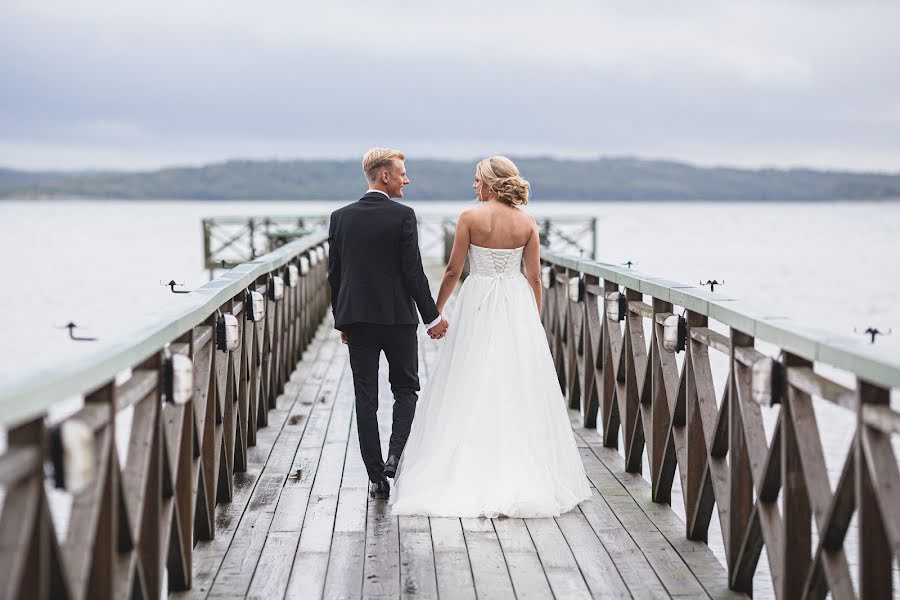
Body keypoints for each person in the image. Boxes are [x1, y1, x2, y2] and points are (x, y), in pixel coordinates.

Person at [390, 156, 591, 518]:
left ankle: (468, 459)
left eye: (477, 180)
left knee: (469, 375)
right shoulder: (527, 223)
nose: (473, 186)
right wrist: (534, 317)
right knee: (513, 380)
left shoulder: (469, 218)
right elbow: (533, 278)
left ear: (490, 182)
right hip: (516, 302)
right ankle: (518, 462)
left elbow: (453, 270)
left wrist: (435, 310)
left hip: (478, 297)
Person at [327, 148, 449, 500]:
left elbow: (334, 275)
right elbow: (413, 272)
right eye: (402, 174)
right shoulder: (404, 216)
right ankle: (396, 455)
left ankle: (376, 476)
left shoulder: (340, 218)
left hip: (359, 319)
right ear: (385, 176)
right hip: (397, 319)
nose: (406, 180)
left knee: (365, 398)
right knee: (406, 389)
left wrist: (342, 321)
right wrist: (433, 317)